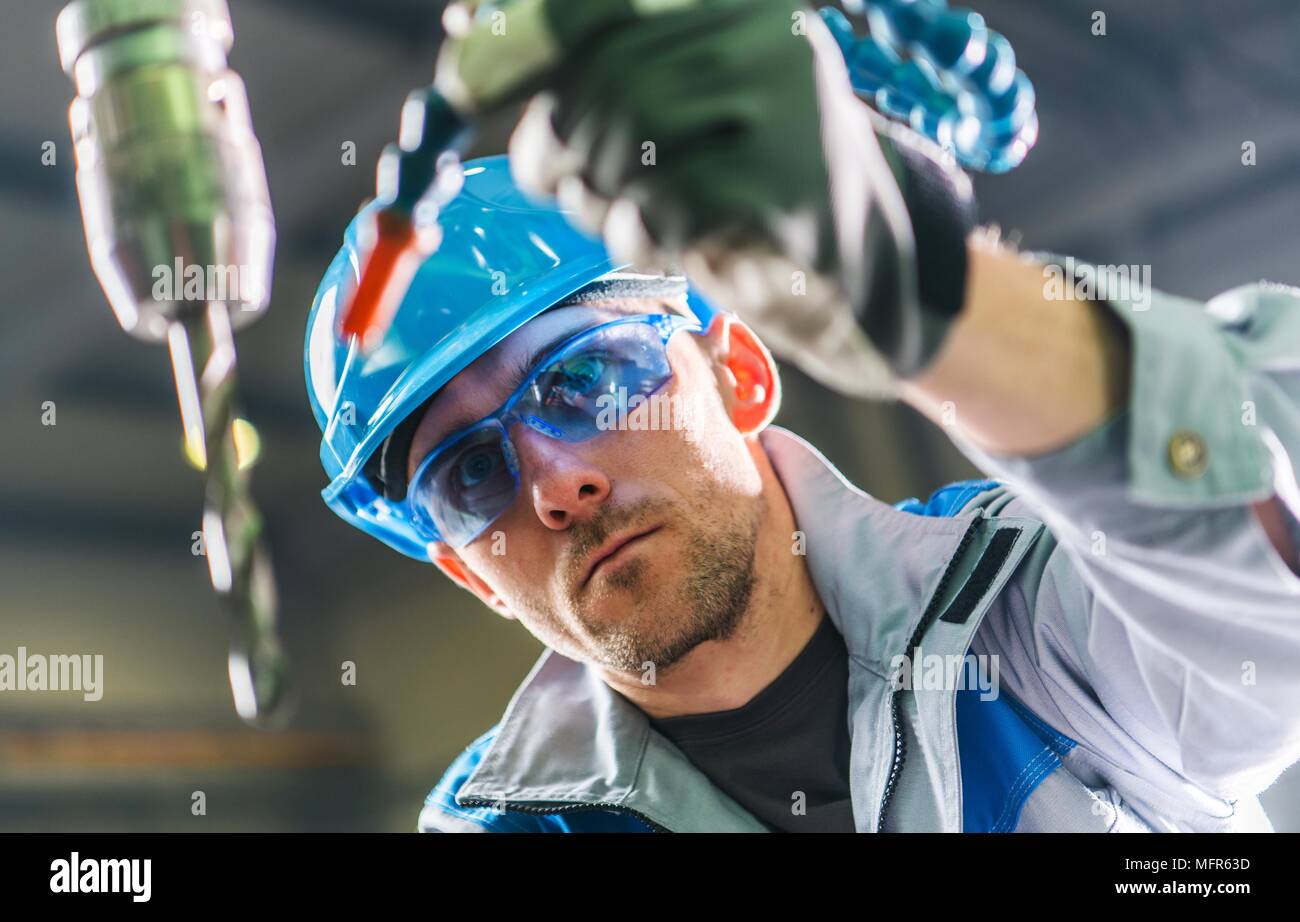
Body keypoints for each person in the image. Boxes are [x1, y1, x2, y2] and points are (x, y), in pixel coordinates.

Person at [304, 3, 1300, 832]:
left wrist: (913, 290)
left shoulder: (1038, 608)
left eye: (585, 380)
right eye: (470, 475)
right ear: (466, 570)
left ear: (737, 371)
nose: (557, 484)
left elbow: (1270, 603)